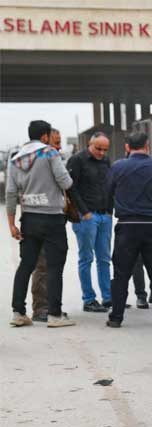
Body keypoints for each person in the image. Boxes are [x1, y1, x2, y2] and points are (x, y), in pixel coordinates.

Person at [106, 132, 152, 328]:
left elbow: (107, 192)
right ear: (147, 146)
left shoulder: (117, 168)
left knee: (120, 274)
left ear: (127, 147)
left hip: (126, 227)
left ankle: (116, 317)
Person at [7, 120, 75, 328]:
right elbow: (65, 182)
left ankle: (18, 312)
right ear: (45, 136)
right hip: (52, 218)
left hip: (28, 218)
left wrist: (11, 224)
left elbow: (10, 193)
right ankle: (54, 315)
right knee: (55, 266)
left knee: (26, 265)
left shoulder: (15, 158)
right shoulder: (49, 153)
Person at [66, 132, 113, 312]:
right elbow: (71, 188)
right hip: (86, 217)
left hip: (104, 216)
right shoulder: (77, 160)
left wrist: (110, 211)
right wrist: (84, 212)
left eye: (105, 149)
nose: (101, 152)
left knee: (104, 258)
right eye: (98, 148)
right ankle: (89, 299)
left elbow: (110, 186)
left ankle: (108, 297)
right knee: (86, 258)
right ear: (89, 144)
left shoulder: (106, 161)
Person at [27, 128, 63, 322]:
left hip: (53, 218)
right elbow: (65, 183)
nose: (59, 147)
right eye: (55, 143)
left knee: (53, 265)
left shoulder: (52, 160)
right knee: (42, 265)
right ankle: (40, 308)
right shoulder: (38, 162)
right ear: (45, 140)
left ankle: (51, 306)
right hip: (40, 219)